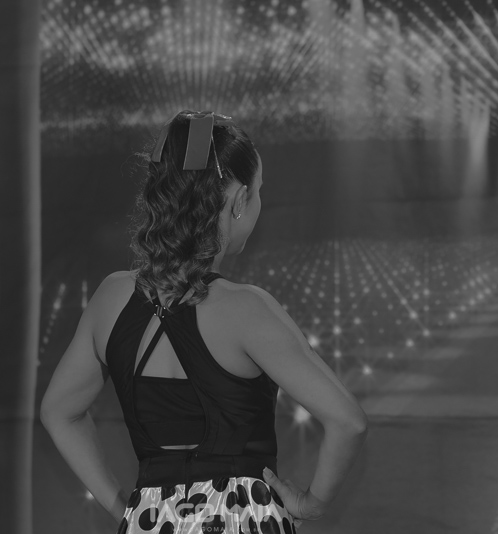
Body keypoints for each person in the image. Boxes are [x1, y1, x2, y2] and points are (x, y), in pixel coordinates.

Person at [40, 110, 368, 533]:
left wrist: (126, 510)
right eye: (259, 191)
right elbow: (348, 422)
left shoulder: (110, 298)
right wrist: (311, 503)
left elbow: (58, 411)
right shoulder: (247, 308)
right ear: (239, 201)